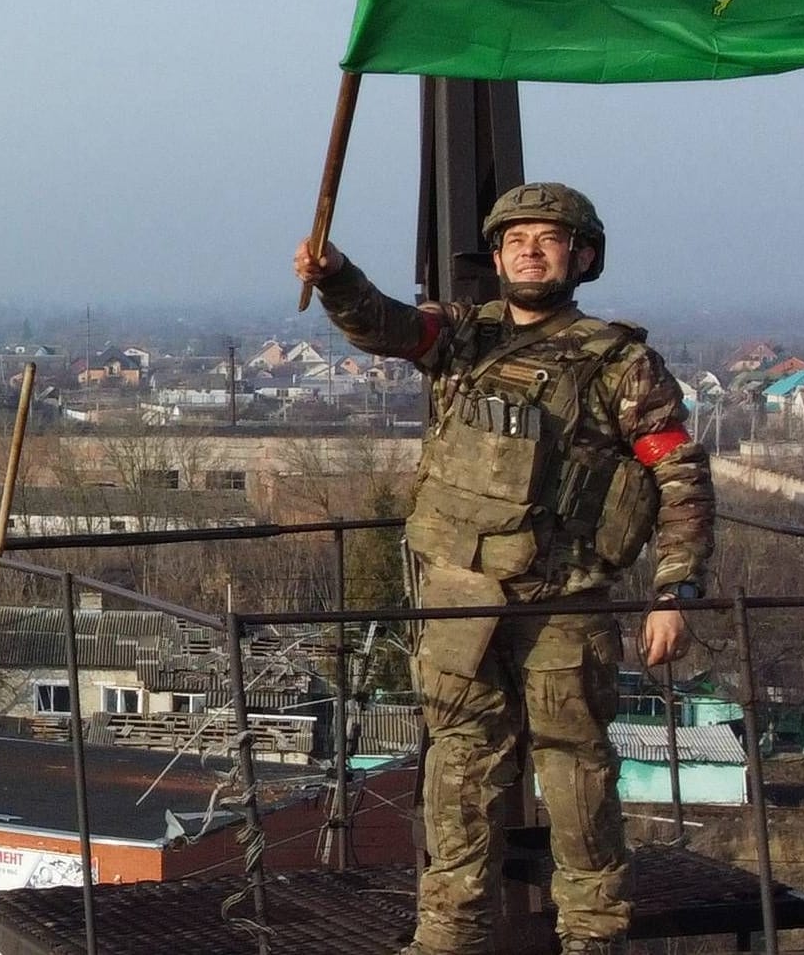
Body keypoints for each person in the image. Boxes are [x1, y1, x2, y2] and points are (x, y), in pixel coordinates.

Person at [294, 182, 716, 955]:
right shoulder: (463, 336)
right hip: (461, 596)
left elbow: (679, 476)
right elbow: (386, 325)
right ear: (495, 255)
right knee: (456, 772)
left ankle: (593, 937)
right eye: (515, 237)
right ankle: (449, 935)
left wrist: (674, 590)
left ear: (581, 256)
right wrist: (334, 275)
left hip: (563, 603)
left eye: (549, 238)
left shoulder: (619, 363)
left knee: (578, 777)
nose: (529, 248)